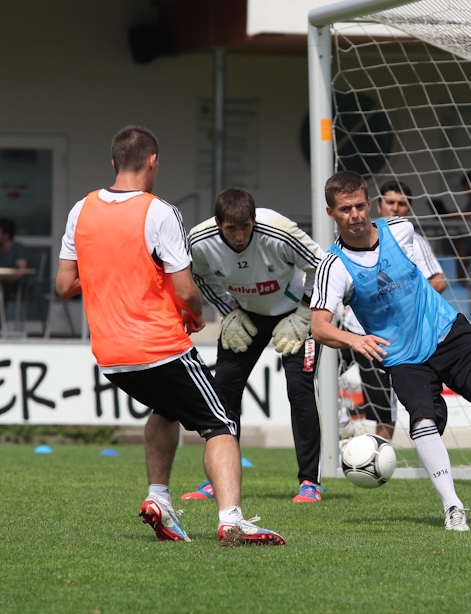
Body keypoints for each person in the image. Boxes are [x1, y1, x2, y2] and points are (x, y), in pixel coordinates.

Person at [55, 125, 284, 546]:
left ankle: (159, 499)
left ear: (113, 162)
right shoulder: (160, 212)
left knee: (166, 409)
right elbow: (184, 290)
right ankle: (232, 520)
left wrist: (110, 272)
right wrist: (195, 316)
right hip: (159, 346)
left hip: (110, 354)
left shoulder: (80, 209)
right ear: (153, 161)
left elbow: (64, 284)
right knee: (219, 424)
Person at [311, 170, 471, 531]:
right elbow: (319, 326)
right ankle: (453, 508)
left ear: (370, 204)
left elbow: (435, 277)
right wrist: (356, 340)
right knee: (423, 422)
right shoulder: (334, 265)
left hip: (450, 336)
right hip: (403, 358)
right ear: (331, 213)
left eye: (359, 206)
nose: (354, 215)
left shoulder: (401, 230)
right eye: (345, 209)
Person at [186, 188, 324, 503]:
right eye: (230, 228)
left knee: (299, 390)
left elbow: (322, 266)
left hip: (294, 315)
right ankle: (217, 480)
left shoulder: (279, 231)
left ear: (254, 220)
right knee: (222, 395)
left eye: (245, 226)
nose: (239, 235)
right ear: (218, 223)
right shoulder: (199, 241)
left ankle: (310, 482)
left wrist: (305, 312)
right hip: (245, 315)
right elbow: (198, 274)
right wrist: (227, 311)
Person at [341, 180, 446, 441]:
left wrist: (406, 304)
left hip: (385, 338)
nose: (396, 208)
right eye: (391, 203)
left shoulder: (412, 240)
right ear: (378, 205)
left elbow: (439, 280)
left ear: (408, 209)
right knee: (313, 375)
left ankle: (379, 455)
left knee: (382, 406)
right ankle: (342, 420)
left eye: (402, 204)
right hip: (350, 330)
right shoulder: (351, 239)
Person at [0, 218, 29, 302]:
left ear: (7, 234)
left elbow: (21, 271)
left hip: (17, 285)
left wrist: (5, 280)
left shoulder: (18, 249)